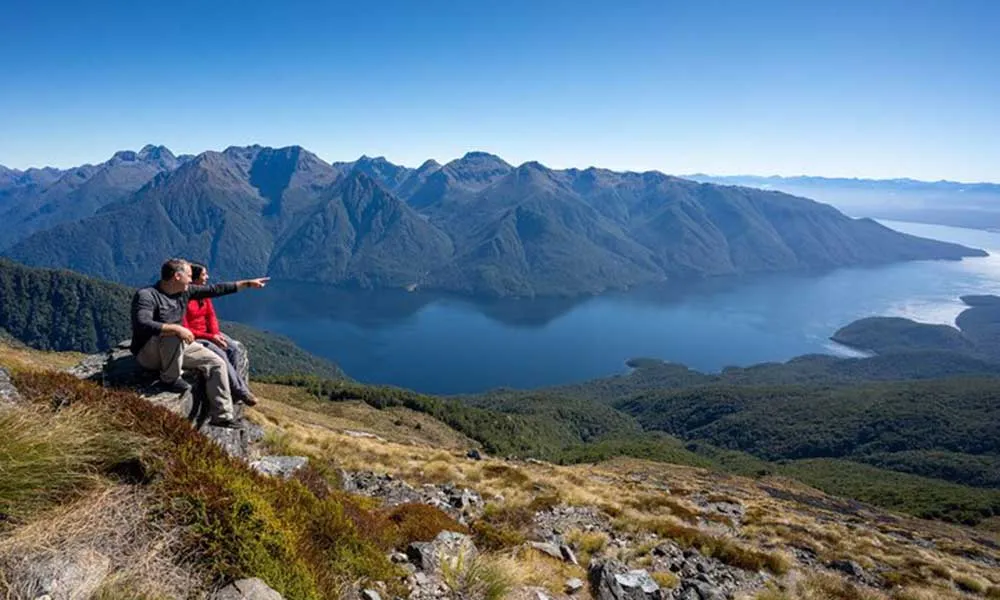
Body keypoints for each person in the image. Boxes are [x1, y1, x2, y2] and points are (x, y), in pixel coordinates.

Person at [130, 258, 269, 427]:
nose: (191, 279)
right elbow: (142, 323)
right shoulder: (147, 295)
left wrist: (247, 283)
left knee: (216, 362)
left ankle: (222, 416)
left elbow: (215, 289)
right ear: (177, 276)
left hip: (176, 347)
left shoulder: (184, 292)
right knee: (174, 334)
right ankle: (169, 379)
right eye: (188, 276)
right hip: (148, 353)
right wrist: (176, 329)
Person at [182, 263, 257, 406]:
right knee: (220, 355)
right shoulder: (184, 298)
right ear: (194, 278)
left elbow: (211, 316)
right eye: (204, 275)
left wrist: (216, 334)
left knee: (233, 348)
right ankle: (241, 391)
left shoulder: (203, 294)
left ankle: (234, 388)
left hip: (210, 333)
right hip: (196, 337)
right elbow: (186, 329)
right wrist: (212, 338)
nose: (207, 277)